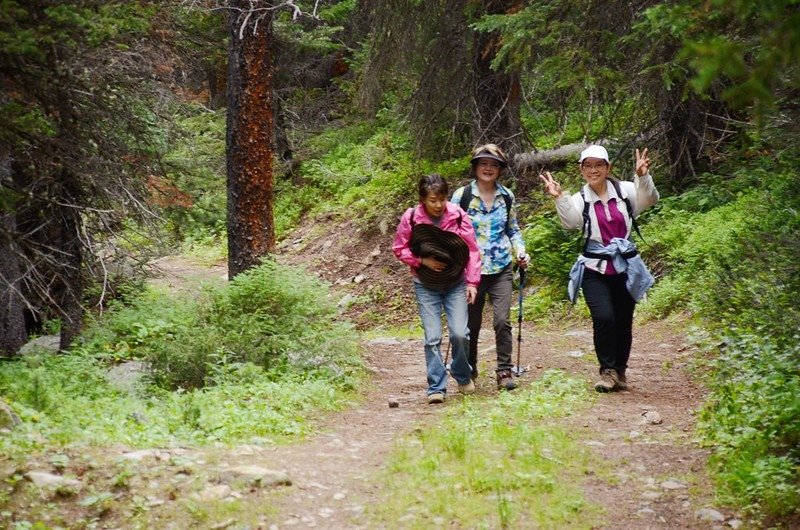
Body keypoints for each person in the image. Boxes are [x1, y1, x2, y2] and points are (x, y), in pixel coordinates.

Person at [539, 145, 659, 392]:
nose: (594, 170)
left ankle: (620, 369)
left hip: (625, 266)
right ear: (581, 170)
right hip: (594, 267)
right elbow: (570, 223)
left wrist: (643, 176)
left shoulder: (626, 190)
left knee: (624, 320)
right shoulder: (579, 199)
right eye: (588, 166)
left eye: (599, 165)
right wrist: (559, 197)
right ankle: (607, 370)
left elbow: (649, 200)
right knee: (603, 317)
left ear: (608, 167)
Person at [393, 174, 482, 404]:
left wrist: (472, 283)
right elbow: (399, 248)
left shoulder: (458, 215)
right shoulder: (412, 217)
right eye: (432, 200)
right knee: (432, 337)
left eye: (441, 198)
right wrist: (423, 262)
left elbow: (472, 250)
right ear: (423, 199)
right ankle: (436, 386)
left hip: (456, 282)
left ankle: (462, 374)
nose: (438, 204)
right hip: (425, 285)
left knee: (460, 333)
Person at [451, 144, 529, 391]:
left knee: (502, 320)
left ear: (500, 169)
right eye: (483, 163)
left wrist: (520, 250)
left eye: (493, 165)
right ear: (475, 167)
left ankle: (504, 370)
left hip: (501, 269)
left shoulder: (506, 197)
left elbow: (512, 229)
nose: (488, 168)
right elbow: (450, 232)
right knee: (470, 325)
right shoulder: (461, 196)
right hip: (469, 272)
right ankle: (470, 367)